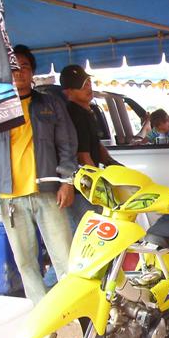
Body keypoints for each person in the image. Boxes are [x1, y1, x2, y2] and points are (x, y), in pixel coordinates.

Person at [0, 45, 77, 304]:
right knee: (26, 264)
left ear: (32, 73)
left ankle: (73, 312)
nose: (19, 72)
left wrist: (67, 181)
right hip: (11, 198)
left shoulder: (50, 103)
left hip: (49, 194)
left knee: (65, 259)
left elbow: (67, 144)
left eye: (24, 67)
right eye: (13, 68)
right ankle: (42, 316)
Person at [60, 64, 118, 228]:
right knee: (89, 231)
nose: (87, 87)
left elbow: (96, 145)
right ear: (68, 92)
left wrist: (112, 163)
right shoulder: (73, 114)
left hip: (89, 184)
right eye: (81, 85)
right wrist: (99, 186)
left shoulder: (87, 112)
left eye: (88, 82)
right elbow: (82, 156)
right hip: (81, 189)